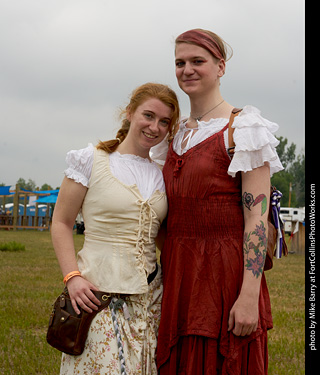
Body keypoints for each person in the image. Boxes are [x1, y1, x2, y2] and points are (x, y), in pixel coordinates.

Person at [152, 29, 284, 374]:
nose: (187, 70)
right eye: (180, 63)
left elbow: (256, 219)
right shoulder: (174, 133)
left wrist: (248, 296)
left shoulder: (242, 129)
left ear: (220, 66)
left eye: (198, 61)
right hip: (179, 272)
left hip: (224, 274)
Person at [51, 82, 180, 375]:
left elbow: (160, 233)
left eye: (164, 122)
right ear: (129, 112)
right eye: (148, 115)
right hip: (98, 296)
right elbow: (61, 223)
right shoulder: (91, 160)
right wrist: (72, 277)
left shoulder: (162, 173)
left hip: (151, 301)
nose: (154, 127)